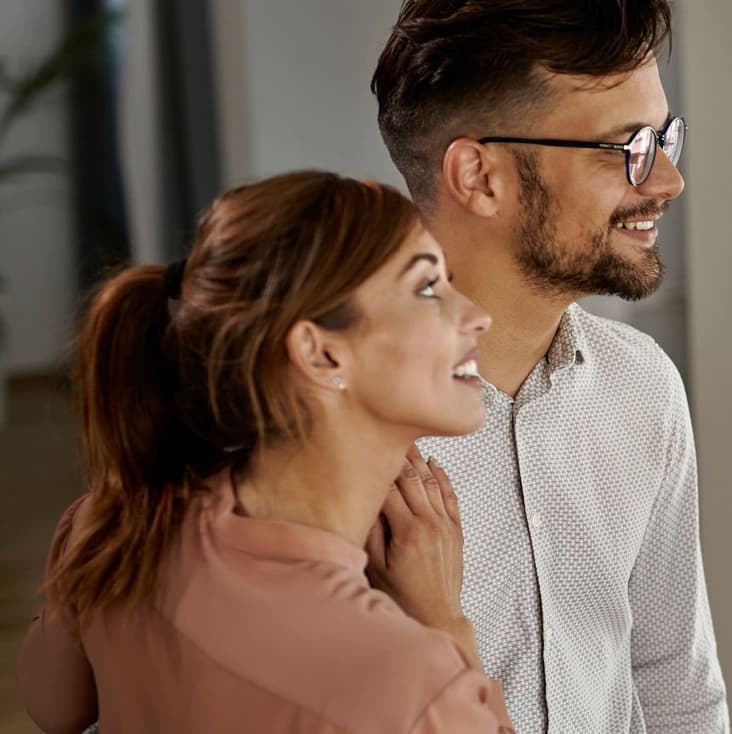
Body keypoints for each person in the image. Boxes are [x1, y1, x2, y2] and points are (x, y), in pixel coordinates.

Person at [17, 171, 509, 732]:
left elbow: (53, 708)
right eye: (427, 288)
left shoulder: (113, 523)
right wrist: (444, 623)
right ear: (319, 354)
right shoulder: (411, 679)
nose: (476, 315)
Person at [370, 1, 727, 731]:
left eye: (662, 137)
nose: (667, 180)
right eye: (627, 145)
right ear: (480, 175)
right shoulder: (336, 424)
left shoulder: (642, 387)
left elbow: (674, 685)